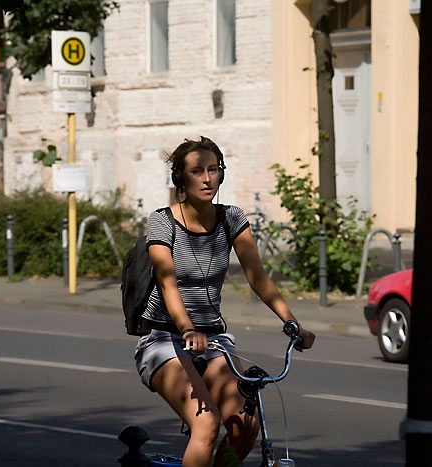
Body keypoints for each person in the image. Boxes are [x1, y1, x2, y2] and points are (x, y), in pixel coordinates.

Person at [134, 136, 315, 467]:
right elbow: (167, 281)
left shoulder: (231, 218)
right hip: (165, 338)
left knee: (245, 426)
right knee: (206, 423)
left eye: (213, 170)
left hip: (213, 339)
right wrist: (188, 328)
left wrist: (292, 323)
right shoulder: (161, 221)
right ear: (180, 179)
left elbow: (257, 277)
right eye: (197, 171)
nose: (207, 179)